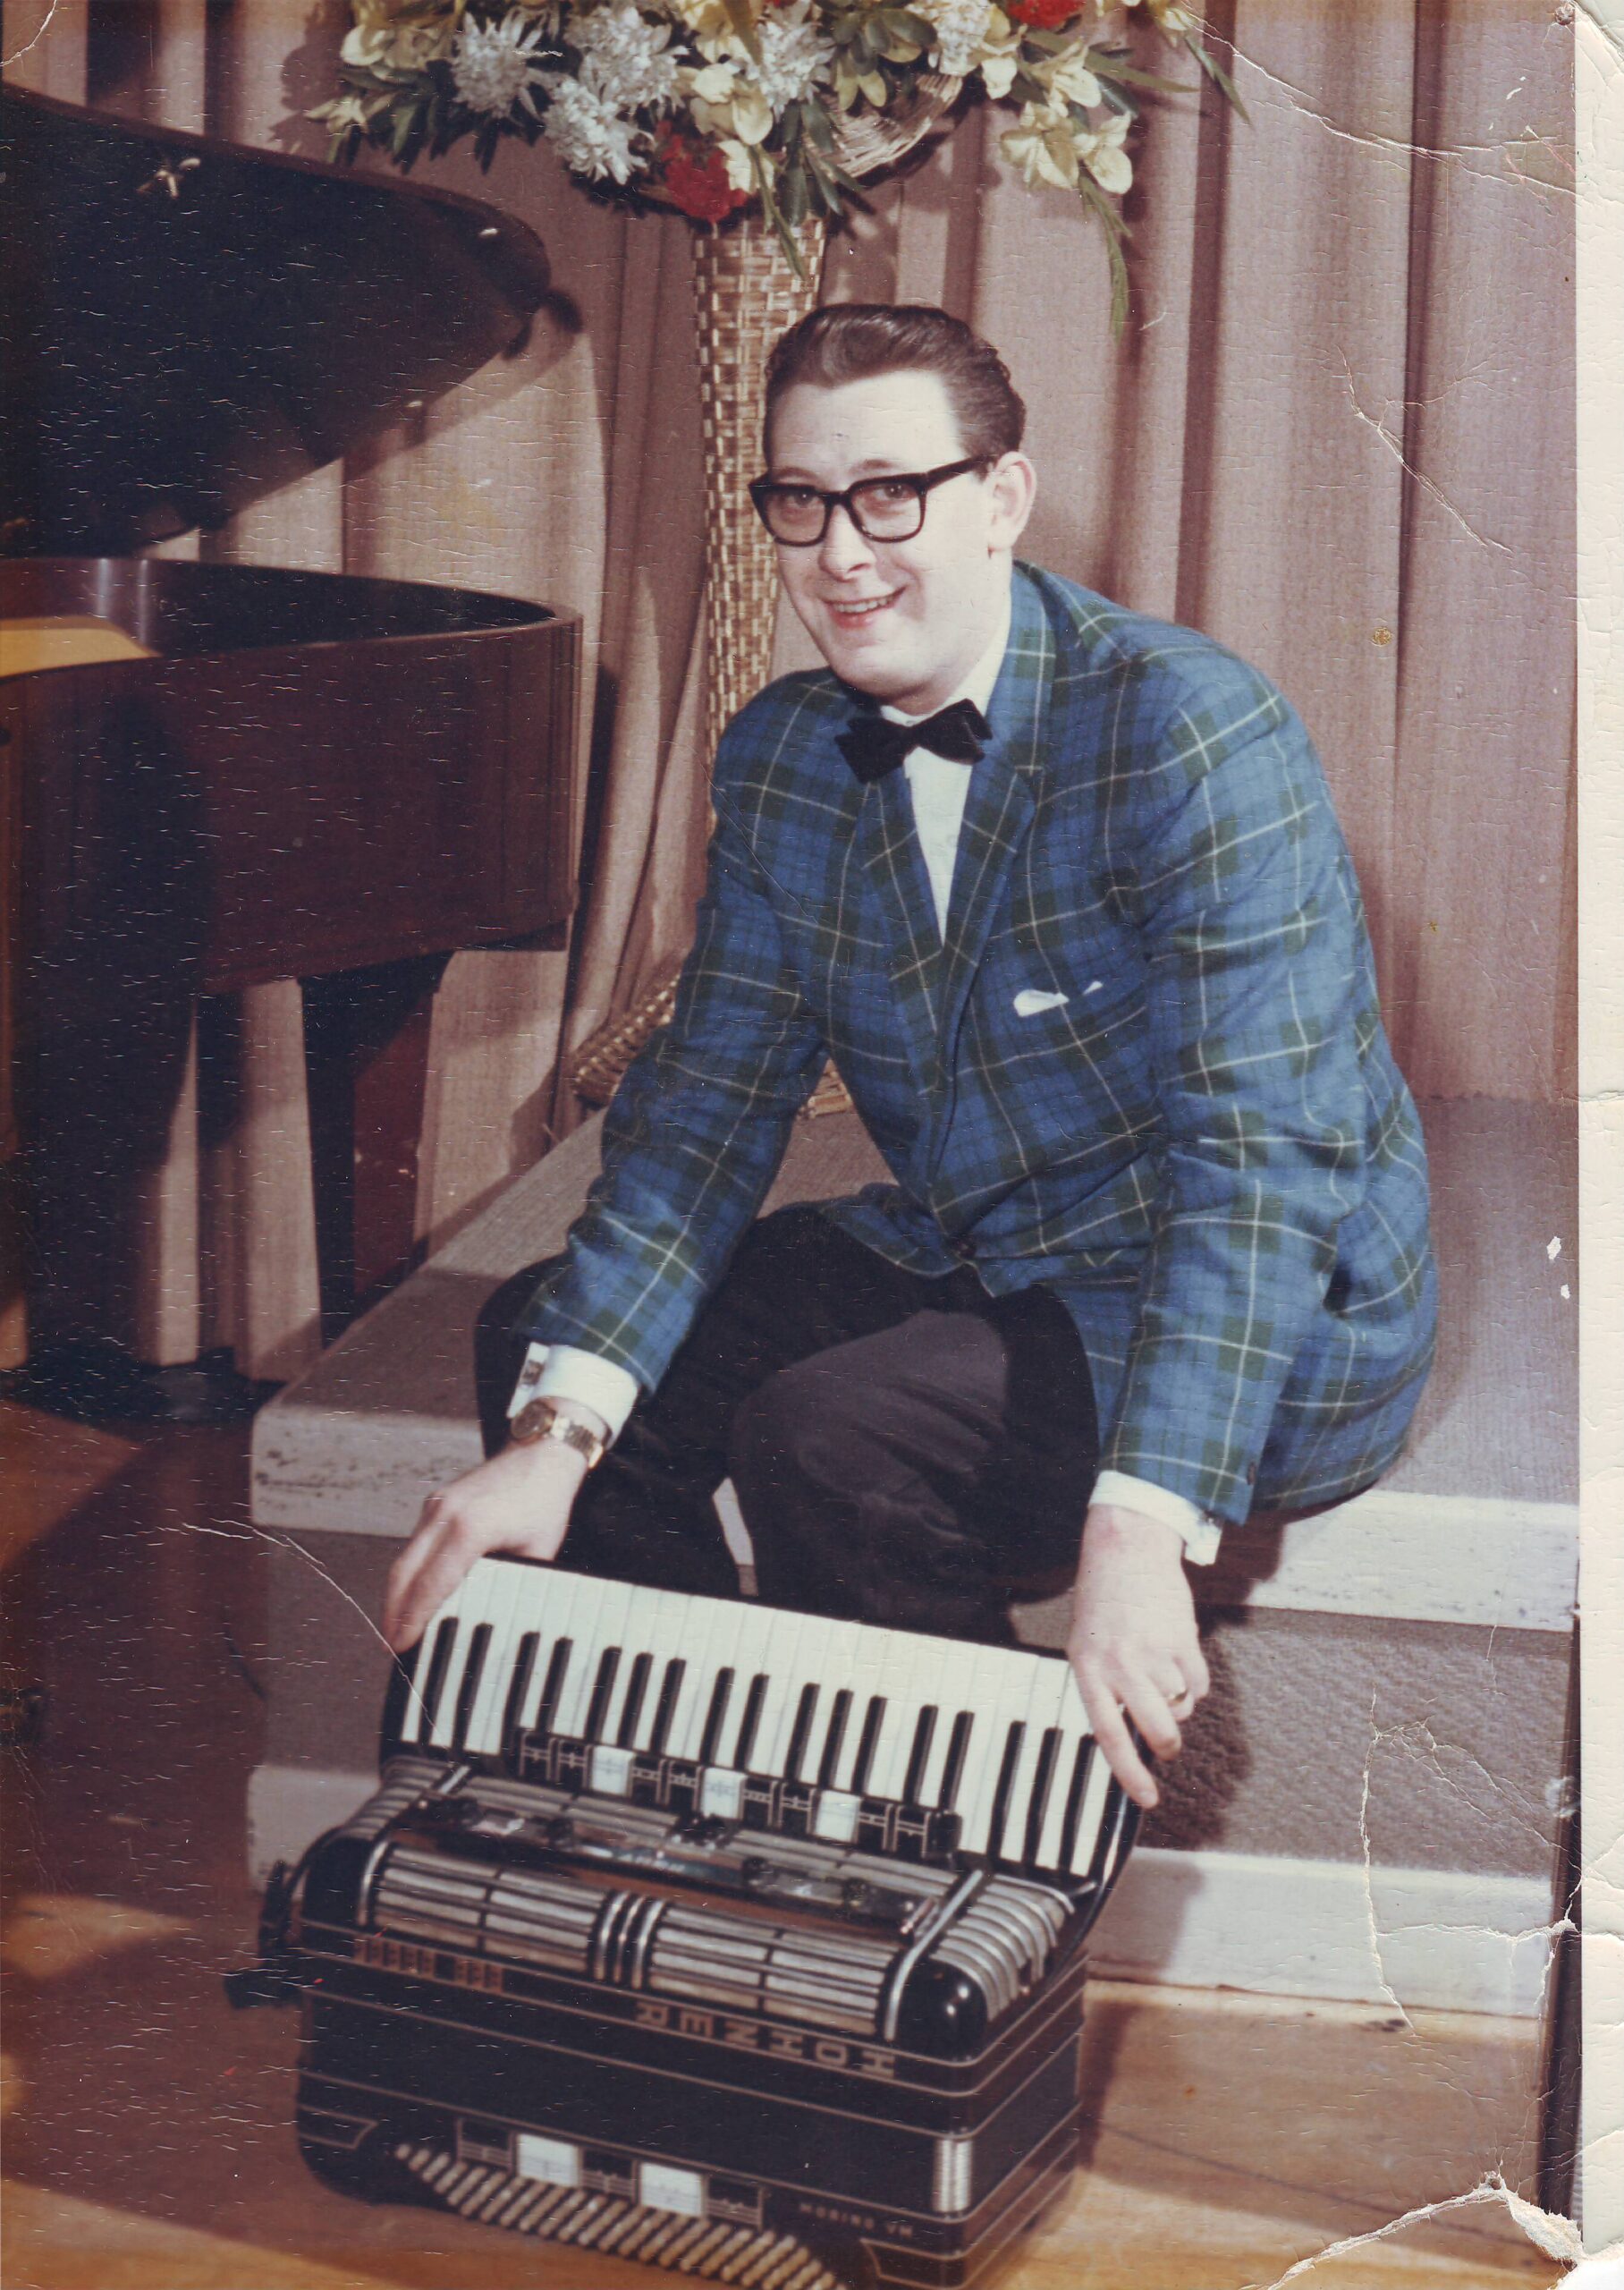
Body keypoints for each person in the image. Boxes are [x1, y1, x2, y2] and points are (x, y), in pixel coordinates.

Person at [384, 303, 1436, 1813]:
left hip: (1255, 1292)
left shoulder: (1190, 730)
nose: (841, 555)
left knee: (830, 1440)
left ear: (1002, 498)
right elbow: (699, 1123)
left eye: (891, 496)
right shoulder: (784, 757)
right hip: (996, 1240)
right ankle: (691, 1796)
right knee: (544, 1338)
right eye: (801, 501)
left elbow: (1259, 1170)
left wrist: (1142, 1525)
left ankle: (960, 1857)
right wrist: (558, 1433)